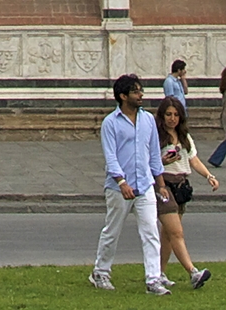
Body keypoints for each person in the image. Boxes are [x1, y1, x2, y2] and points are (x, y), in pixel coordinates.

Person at [90, 73, 166, 294]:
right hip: (118, 188)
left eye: (141, 90)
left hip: (144, 185)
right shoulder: (110, 123)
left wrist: (160, 183)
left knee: (151, 230)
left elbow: (153, 154)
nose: (140, 95)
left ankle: (153, 279)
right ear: (123, 96)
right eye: (135, 91)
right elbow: (111, 157)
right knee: (112, 231)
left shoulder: (148, 120)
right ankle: (101, 272)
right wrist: (121, 181)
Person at [153, 98, 220, 290]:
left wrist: (208, 176)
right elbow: (150, 162)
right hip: (163, 184)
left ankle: (159, 273)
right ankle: (193, 272)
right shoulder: (157, 136)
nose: (172, 119)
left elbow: (193, 159)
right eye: (168, 114)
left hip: (181, 185)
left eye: (176, 115)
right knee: (176, 232)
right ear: (162, 116)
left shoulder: (184, 136)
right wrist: (163, 161)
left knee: (168, 234)